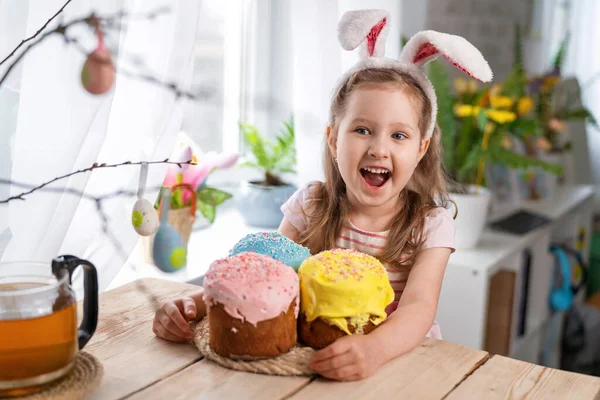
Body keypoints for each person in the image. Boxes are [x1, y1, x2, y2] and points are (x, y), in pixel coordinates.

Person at [152, 8, 492, 382]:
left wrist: (374, 349)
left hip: (397, 366)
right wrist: (193, 305)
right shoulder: (311, 205)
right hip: (313, 364)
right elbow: (266, 272)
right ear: (333, 138)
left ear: (421, 149)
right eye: (363, 130)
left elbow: (418, 308)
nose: (380, 149)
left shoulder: (430, 225)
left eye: (398, 136)